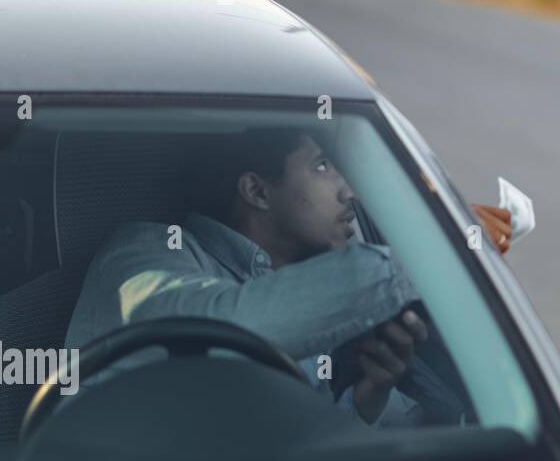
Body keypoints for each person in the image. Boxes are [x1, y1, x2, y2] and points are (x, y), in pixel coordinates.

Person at [66, 128, 507, 427]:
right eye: (321, 167)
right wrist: (435, 252)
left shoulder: (305, 276)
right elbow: (220, 330)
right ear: (257, 191)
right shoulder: (142, 253)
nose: (348, 190)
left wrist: (364, 400)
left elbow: (287, 447)